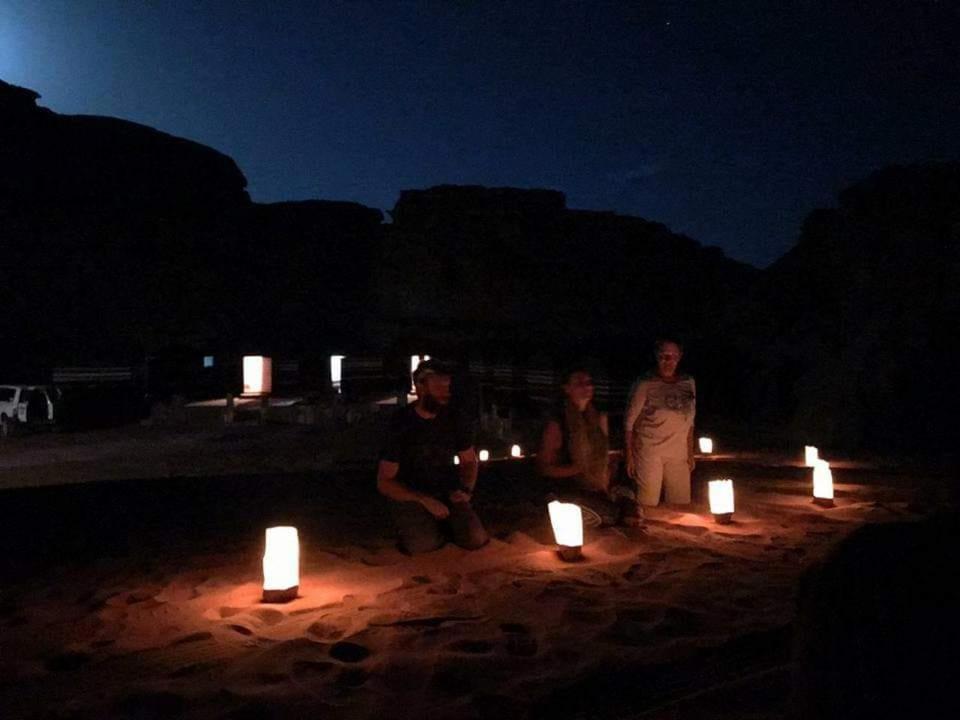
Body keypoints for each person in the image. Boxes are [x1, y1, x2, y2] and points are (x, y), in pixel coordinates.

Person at [377, 359, 489, 554]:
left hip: (447, 492)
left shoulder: (456, 417)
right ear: (420, 386)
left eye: (447, 386)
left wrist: (465, 490)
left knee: (476, 539)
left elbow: (469, 460)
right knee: (423, 545)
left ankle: (446, 525)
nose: (445, 392)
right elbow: (385, 481)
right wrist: (422, 499)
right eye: (438, 386)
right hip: (411, 494)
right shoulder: (401, 424)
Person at [537, 366, 641, 527]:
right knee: (610, 513)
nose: (586, 387)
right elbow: (544, 468)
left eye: (589, 383)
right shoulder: (558, 423)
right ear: (566, 388)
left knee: (629, 500)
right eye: (579, 383)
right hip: (568, 487)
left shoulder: (597, 418)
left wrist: (607, 466)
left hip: (594, 486)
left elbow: (602, 458)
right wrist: (578, 468)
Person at [624, 339, 696, 507]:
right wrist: (629, 456)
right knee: (647, 502)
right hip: (650, 450)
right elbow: (629, 423)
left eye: (672, 356)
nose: (668, 361)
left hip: (678, 452)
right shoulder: (646, 384)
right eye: (663, 356)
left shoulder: (688, 383)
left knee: (680, 503)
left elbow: (690, 420)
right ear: (657, 357)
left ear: (679, 357)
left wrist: (690, 452)